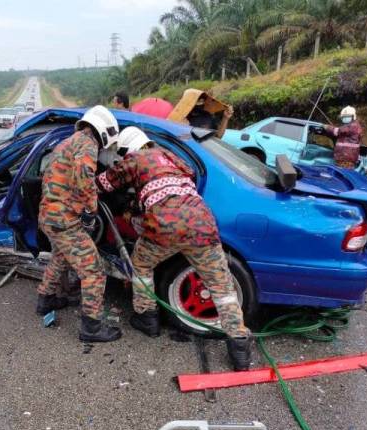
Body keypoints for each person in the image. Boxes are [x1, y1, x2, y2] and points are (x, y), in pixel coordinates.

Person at [96, 126, 252, 370]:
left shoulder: (135, 158)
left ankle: (147, 317)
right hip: (202, 223)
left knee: (141, 264)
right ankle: (239, 346)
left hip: (165, 226)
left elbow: (105, 183)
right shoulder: (169, 155)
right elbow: (188, 174)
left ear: (129, 149)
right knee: (221, 285)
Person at [37, 105, 122, 343]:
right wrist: (90, 209)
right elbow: (84, 176)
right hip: (64, 219)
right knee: (93, 270)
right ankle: (91, 328)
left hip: (49, 215)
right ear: (104, 131)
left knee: (60, 256)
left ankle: (46, 300)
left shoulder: (67, 142)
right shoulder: (87, 144)